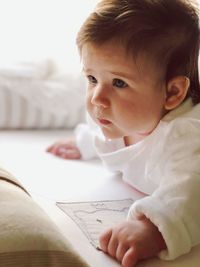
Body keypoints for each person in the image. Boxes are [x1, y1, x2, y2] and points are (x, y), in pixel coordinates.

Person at [47, 0, 200, 266]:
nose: (98, 97)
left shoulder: (185, 137)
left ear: (172, 93)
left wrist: (154, 228)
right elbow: (103, 134)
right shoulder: (115, 112)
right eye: (92, 79)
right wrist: (85, 143)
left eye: (119, 83)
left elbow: (191, 191)